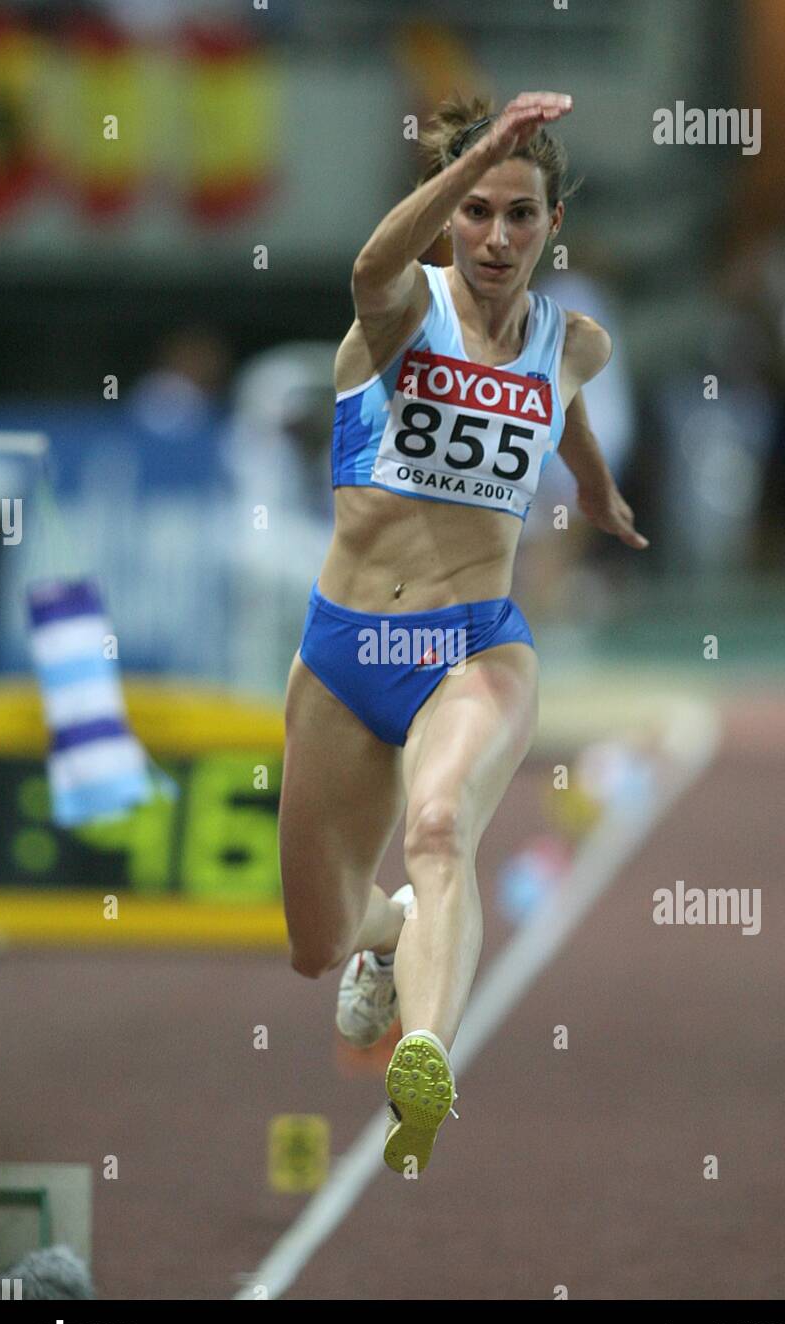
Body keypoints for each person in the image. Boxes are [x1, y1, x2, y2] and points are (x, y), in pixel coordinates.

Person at [278, 91, 648, 1177]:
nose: (495, 236)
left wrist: (598, 491)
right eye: (477, 210)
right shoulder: (399, 308)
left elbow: (560, 405)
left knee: (440, 827)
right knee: (314, 943)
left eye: (519, 215)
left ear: (550, 226)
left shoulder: (573, 340)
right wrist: (480, 150)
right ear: (450, 218)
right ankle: (385, 940)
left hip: (476, 646)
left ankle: (425, 1059)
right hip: (347, 652)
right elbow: (364, 265)